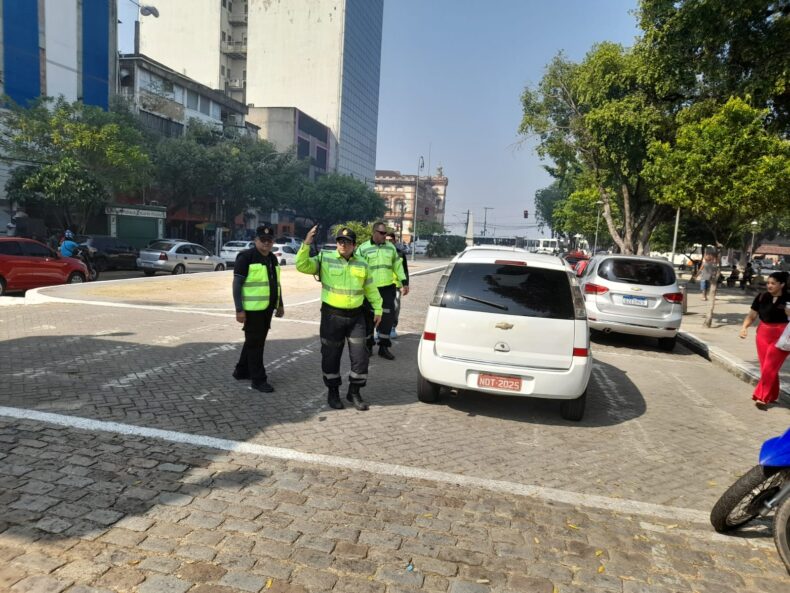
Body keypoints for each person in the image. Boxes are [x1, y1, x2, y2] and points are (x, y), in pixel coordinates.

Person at [295, 225, 383, 411]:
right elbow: (302, 266)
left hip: (356, 318)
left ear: (354, 245)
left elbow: (370, 289)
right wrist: (307, 243)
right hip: (332, 317)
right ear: (336, 244)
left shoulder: (362, 264)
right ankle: (333, 393)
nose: (343, 245)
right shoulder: (324, 258)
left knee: (361, 357)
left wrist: (378, 309)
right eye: (340, 241)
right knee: (330, 357)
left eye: (347, 242)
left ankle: (354, 392)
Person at [231, 225, 284, 393]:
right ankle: (258, 380)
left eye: (269, 240)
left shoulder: (272, 259)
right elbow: (237, 284)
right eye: (263, 240)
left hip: (267, 309)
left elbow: (276, 284)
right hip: (252, 310)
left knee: (253, 342)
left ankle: (241, 371)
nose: (266, 243)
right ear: (256, 240)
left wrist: (280, 304)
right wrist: (239, 309)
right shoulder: (246, 257)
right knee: (256, 345)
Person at [356, 222, 408, 360]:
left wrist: (405, 282)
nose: (385, 236)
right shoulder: (363, 248)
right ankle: (368, 346)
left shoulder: (391, 248)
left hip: (386, 289)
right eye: (382, 233)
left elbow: (398, 265)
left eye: (386, 233)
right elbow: (357, 267)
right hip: (370, 290)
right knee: (368, 319)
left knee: (387, 320)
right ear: (374, 233)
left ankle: (383, 348)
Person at [739, 271, 790, 410]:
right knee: (766, 367)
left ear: (782, 284)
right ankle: (773, 395)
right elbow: (752, 314)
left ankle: (761, 396)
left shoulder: (788, 298)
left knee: (770, 366)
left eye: (773, 283)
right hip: (762, 333)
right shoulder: (762, 297)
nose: (769, 285)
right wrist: (744, 327)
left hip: (782, 335)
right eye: (768, 283)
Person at [385, 231, 409, 339]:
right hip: (383, 284)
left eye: (391, 240)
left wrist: (406, 284)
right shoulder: (380, 253)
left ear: (395, 241)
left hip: (396, 285)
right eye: (387, 240)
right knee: (381, 307)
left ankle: (392, 327)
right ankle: (380, 328)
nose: (389, 242)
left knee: (395, 306)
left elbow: (405, 270)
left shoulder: (401, 254)